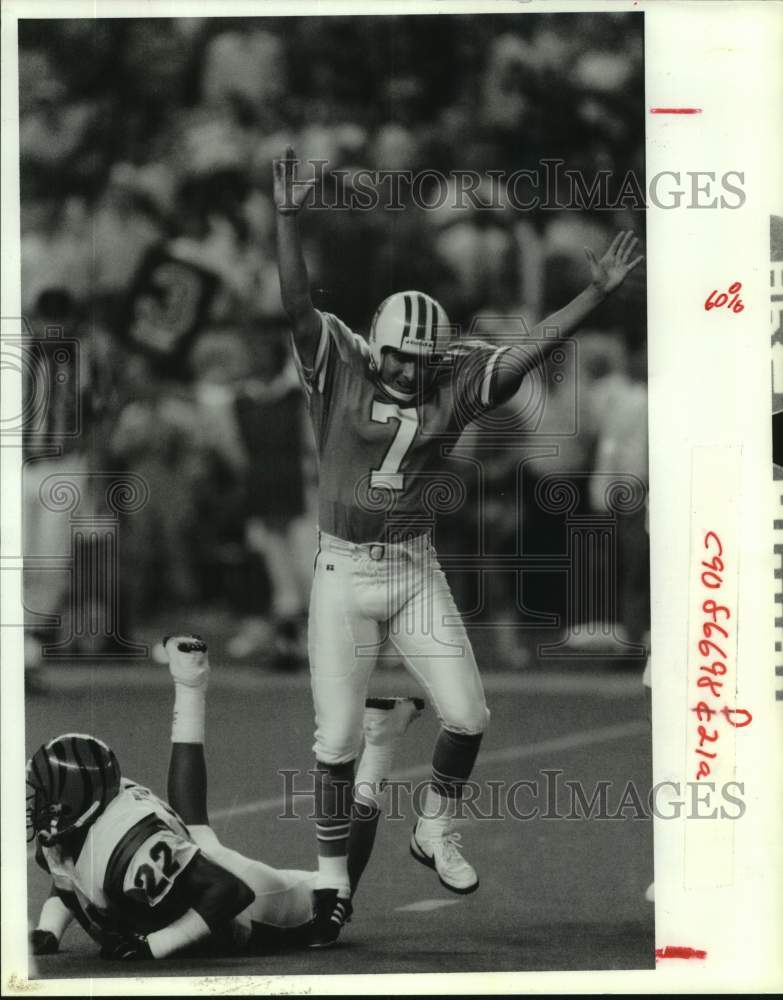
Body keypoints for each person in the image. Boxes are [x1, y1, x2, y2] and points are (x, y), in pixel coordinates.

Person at [272, 146, 644, 944]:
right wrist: (286, 216)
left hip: (410, 570)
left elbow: (527, 349)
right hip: (342, 571)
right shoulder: (337, 363)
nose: (410, 370)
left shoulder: (454, 377)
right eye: (401, 356)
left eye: (421, 359)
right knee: (333, 739)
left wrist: (592, 297)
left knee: (469, 714)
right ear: (378, 345)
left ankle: (433, 826)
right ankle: (333, 885)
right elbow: (296, 301)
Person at [27, 635, 423, 960]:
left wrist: (155, 944)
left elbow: (231, 892)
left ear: (74, 804)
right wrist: (48, 930)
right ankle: (188, 677)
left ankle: (382, 741)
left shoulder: (125, 845)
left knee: (334, 895)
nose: (36, 805)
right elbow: (69, 875)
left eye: (45, 795)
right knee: (194, 825)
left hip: (248, 905)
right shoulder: (80, 822)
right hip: (189, 857)